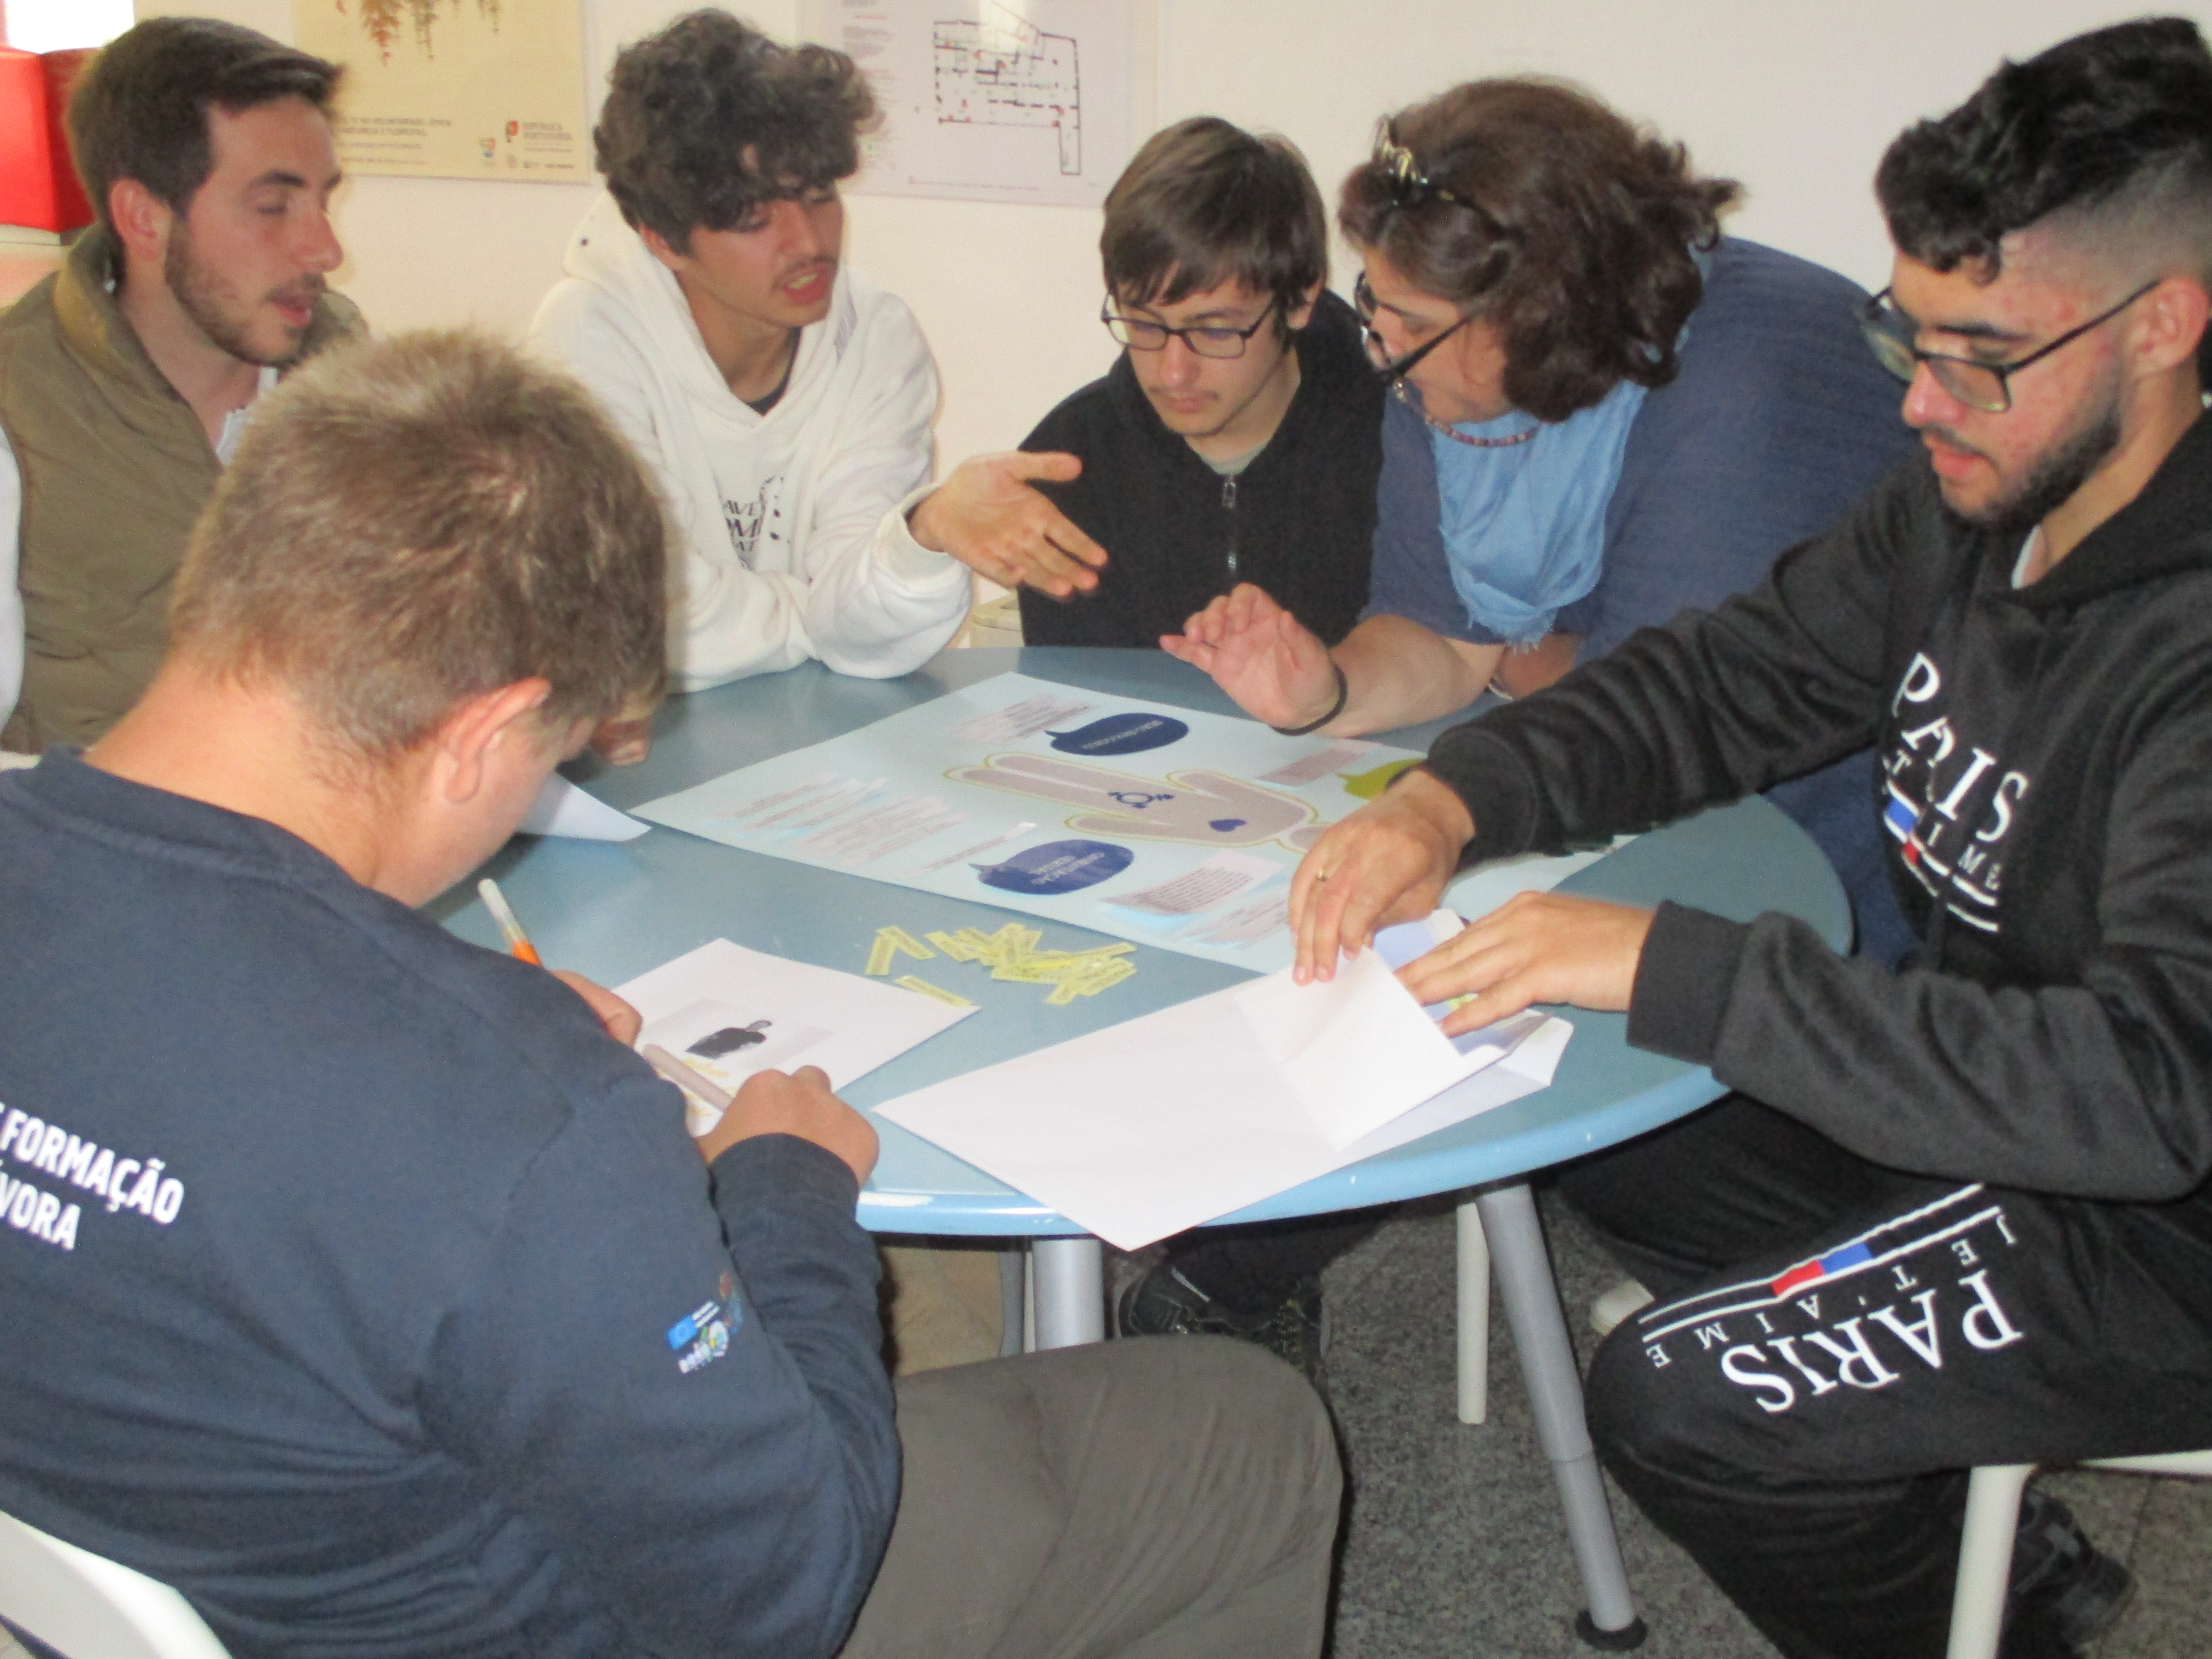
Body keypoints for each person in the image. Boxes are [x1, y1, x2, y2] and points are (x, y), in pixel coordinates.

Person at [0, 329, 1342, 1659]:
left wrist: (478, 1051)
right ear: (481, 737)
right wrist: (783, 1188)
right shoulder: (531, 1127)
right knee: (1243, 1429)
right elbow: (786, 1589)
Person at [1290, 18, 2212, 1656]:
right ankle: (1989, 1542)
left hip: (2159, 1213)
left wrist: (1679, 966)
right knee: (1591, 1095)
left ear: (2164, 327)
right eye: (1904, 336)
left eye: (1978, 354)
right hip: (2006, 1096)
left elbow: (2144, 1091)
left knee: (1680, 1394)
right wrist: (1457, 797)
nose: (1919, 405)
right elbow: (1731, 680)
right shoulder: (1970, 493)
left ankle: (2008, 1631)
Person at [1165, 79, 1919, 963]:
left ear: (1537, 311)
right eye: (1372, 303)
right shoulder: (1434, 364)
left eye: (1404, 323)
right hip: (1626, 826)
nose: (1378, 350)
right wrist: (1326, 689)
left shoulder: (1748, 387)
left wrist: (1504, 699)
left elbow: (1655, 732)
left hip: (1816, 905)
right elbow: (1448, 642)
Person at [531, 11, 1099, 765]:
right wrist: (814, 613)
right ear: (663, 239)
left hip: (813, 755)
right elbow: (639, 619)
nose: (807, 241)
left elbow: (868, 644)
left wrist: (921, 532)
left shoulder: (875, 339)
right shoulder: (585, 339)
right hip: (630, 755)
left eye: (819, 194)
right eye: (753, 217)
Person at [0, 16, 358, 755]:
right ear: (144, 218)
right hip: (96, 853)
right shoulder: (18, 406)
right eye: (273, 206)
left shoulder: (346, 369)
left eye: (324, 198)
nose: (325, 248)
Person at [921, 117, 1383, 650]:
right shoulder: (1073, 459)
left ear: (1299, 301)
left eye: (1214, 330)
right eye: (1143, 325)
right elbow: (1075, 701)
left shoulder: (1398, 441)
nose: (1172, 373)